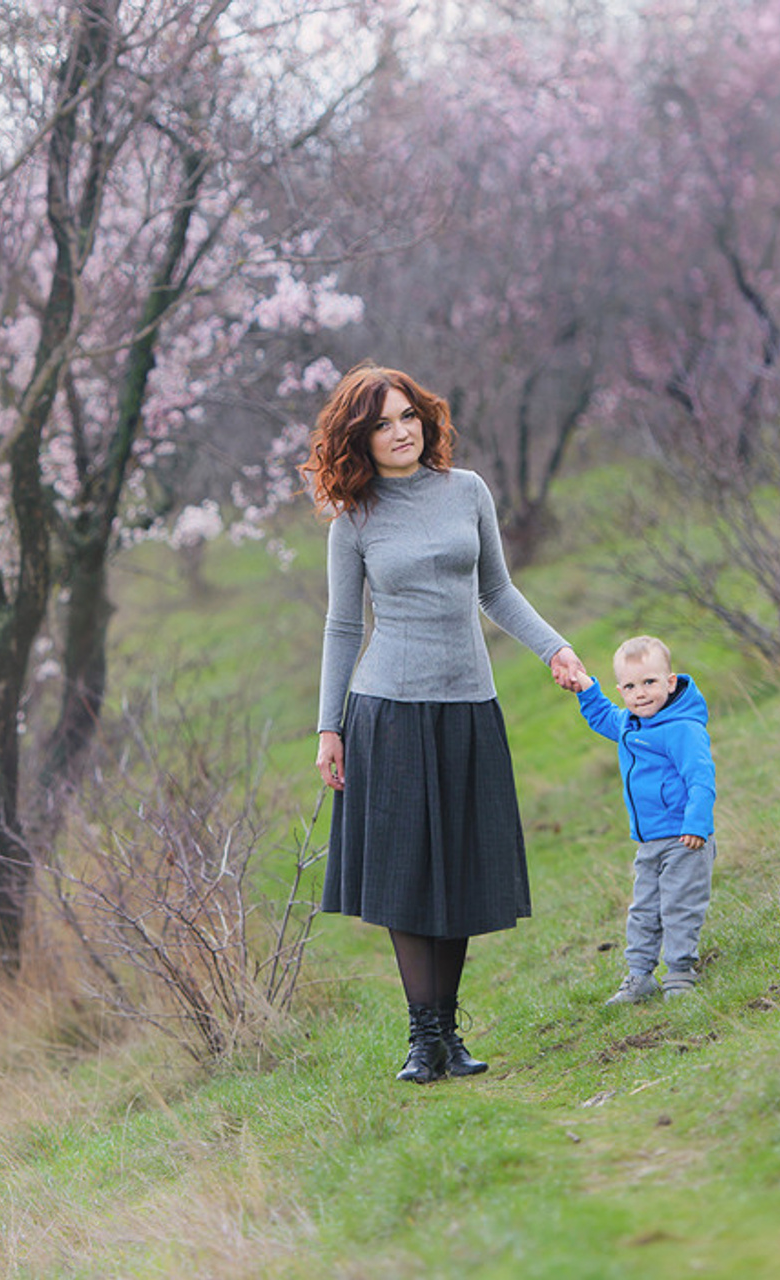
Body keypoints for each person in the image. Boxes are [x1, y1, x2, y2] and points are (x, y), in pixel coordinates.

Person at [302, 362, 588, 1084]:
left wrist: (554, 648)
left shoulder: (469, 493)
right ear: (358, 440)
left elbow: (497, 589)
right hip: (387, 710)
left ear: (425, 421)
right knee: (406, 875)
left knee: (456, 869)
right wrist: (328, 728)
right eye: (381, 424)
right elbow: (342, 626)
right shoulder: (355, 520)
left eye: (408, 417)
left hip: (467, 703)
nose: (399, 432)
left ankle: (449, 1035)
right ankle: (422, 1038)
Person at [574, 635, 717, 1004]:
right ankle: (639, 977)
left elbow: (701, 779)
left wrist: (697, 825)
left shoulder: (683, 728)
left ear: (670, 683)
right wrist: (587, 689)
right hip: (649, 840)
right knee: (643, 910)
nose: (640, 693)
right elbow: (603, 717)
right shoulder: (631, 725)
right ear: (621, 689)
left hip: (686, 839)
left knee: (679, 905)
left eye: (650, 682)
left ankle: (681, 972)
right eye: (630, 686)